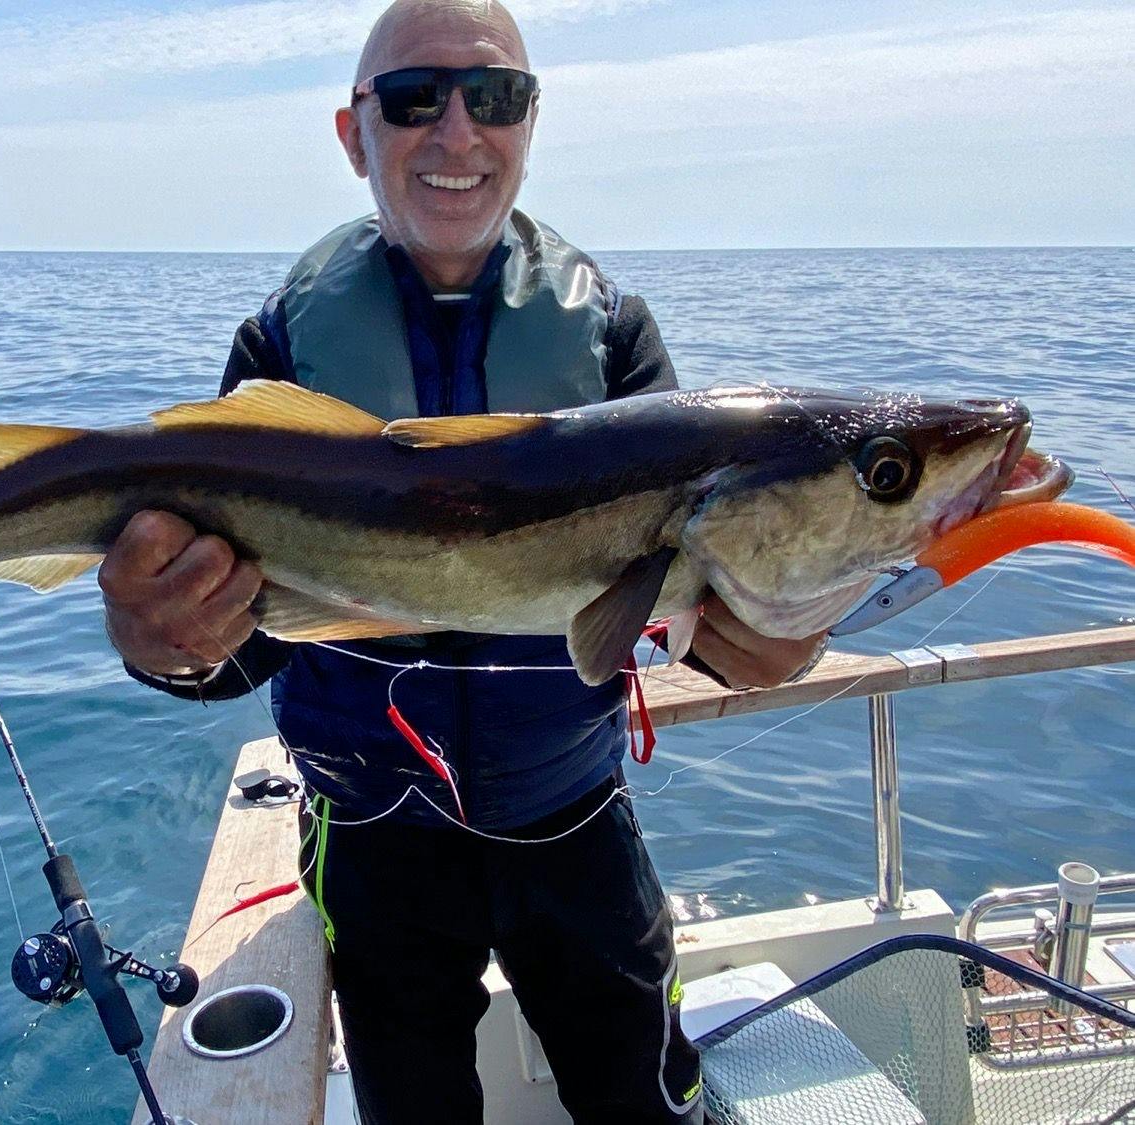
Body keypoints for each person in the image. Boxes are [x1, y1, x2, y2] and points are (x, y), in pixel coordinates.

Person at [101, 2, 829, 1120]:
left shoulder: (613, 335)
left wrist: (764, 644)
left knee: (643, 1100)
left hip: (574, 817)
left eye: (494, 98)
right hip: (370, 834)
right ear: (354, 134)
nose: (456, 133)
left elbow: (694, 612)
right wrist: (166, 647)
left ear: (530, 125)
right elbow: (237, 643)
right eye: (412, 99)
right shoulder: (281, 348)